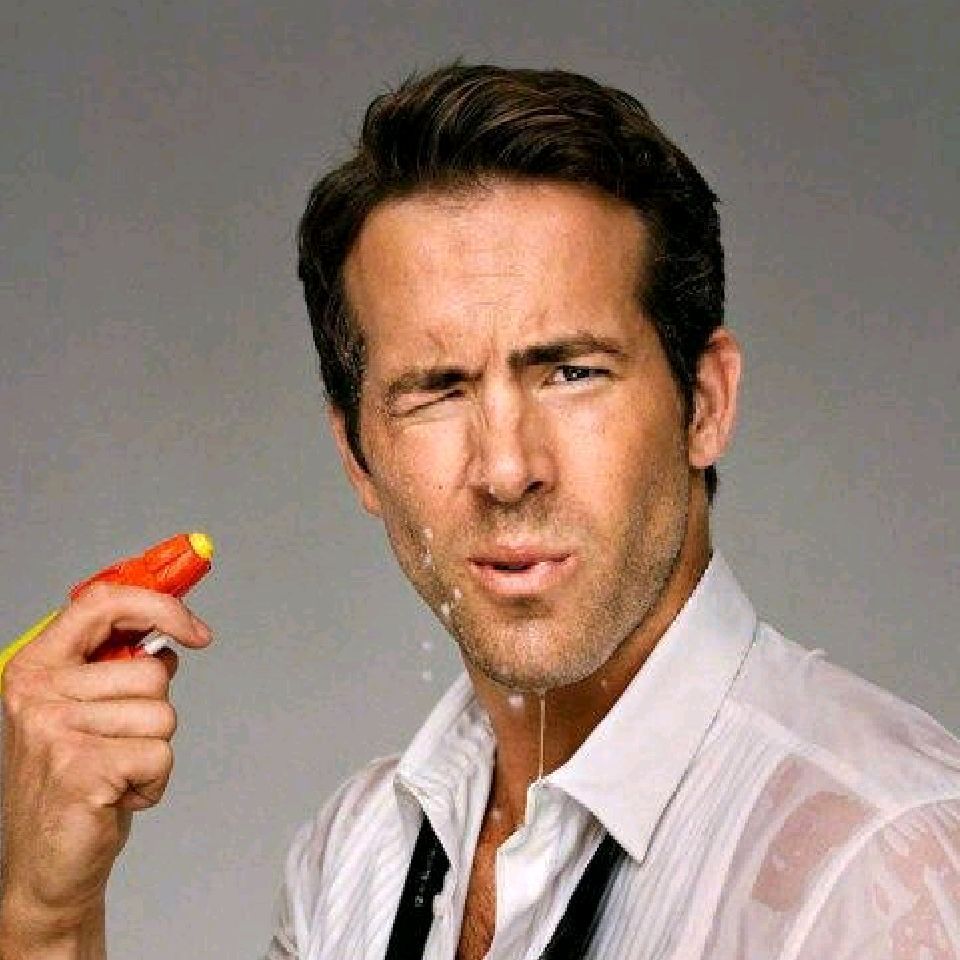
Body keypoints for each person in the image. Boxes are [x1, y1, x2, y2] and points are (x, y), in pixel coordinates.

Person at [1, 63, 957, 960]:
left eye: (572, 372)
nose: (506, 469)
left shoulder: (884, 865)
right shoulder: (357, 855)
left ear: (704, 403)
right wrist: (46, 919)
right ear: (358, 455)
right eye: (437, 390)